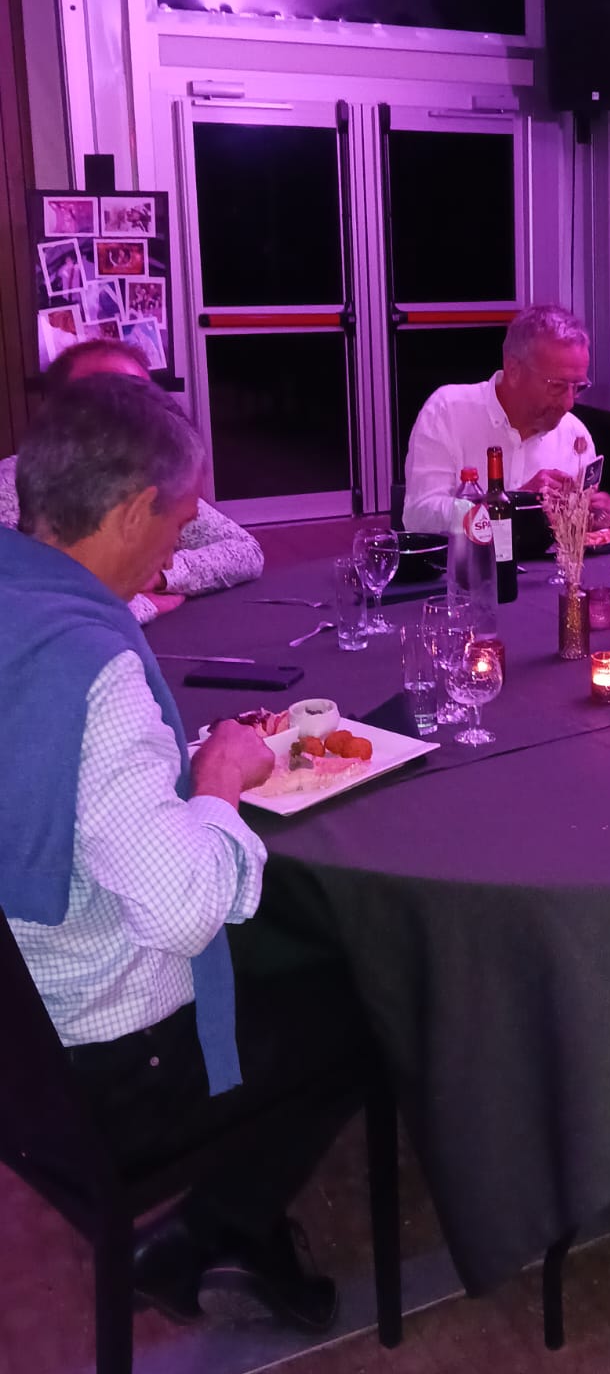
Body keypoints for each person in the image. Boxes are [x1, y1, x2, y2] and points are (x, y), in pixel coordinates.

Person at [0, 376, 373, 1330]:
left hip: (19, 1037)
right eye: (175, 524)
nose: (177, 548)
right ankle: (218, 1229)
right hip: (100, 1065)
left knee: (290, 951)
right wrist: (218, 778)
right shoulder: (96, 671)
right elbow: (182, 910)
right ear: (131, 512)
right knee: (371, 993)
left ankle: (231, 1225)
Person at [0, 340, 264, 621]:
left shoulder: (152, 478)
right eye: (102, 396)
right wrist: (143, 605)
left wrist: (156, 577)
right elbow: (28, 617)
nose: (127, 412)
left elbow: (244, 551)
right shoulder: (10, 486)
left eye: (140, 397)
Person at [402, 304, 610, 534]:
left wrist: (590, 521)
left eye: (577, 387)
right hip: (468, 558)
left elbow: (573, 539)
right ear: (513, 370)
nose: (569, 403)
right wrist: (514, 504)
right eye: (557, 386)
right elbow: (419, 515)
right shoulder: (447, 412)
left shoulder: (575, 435)